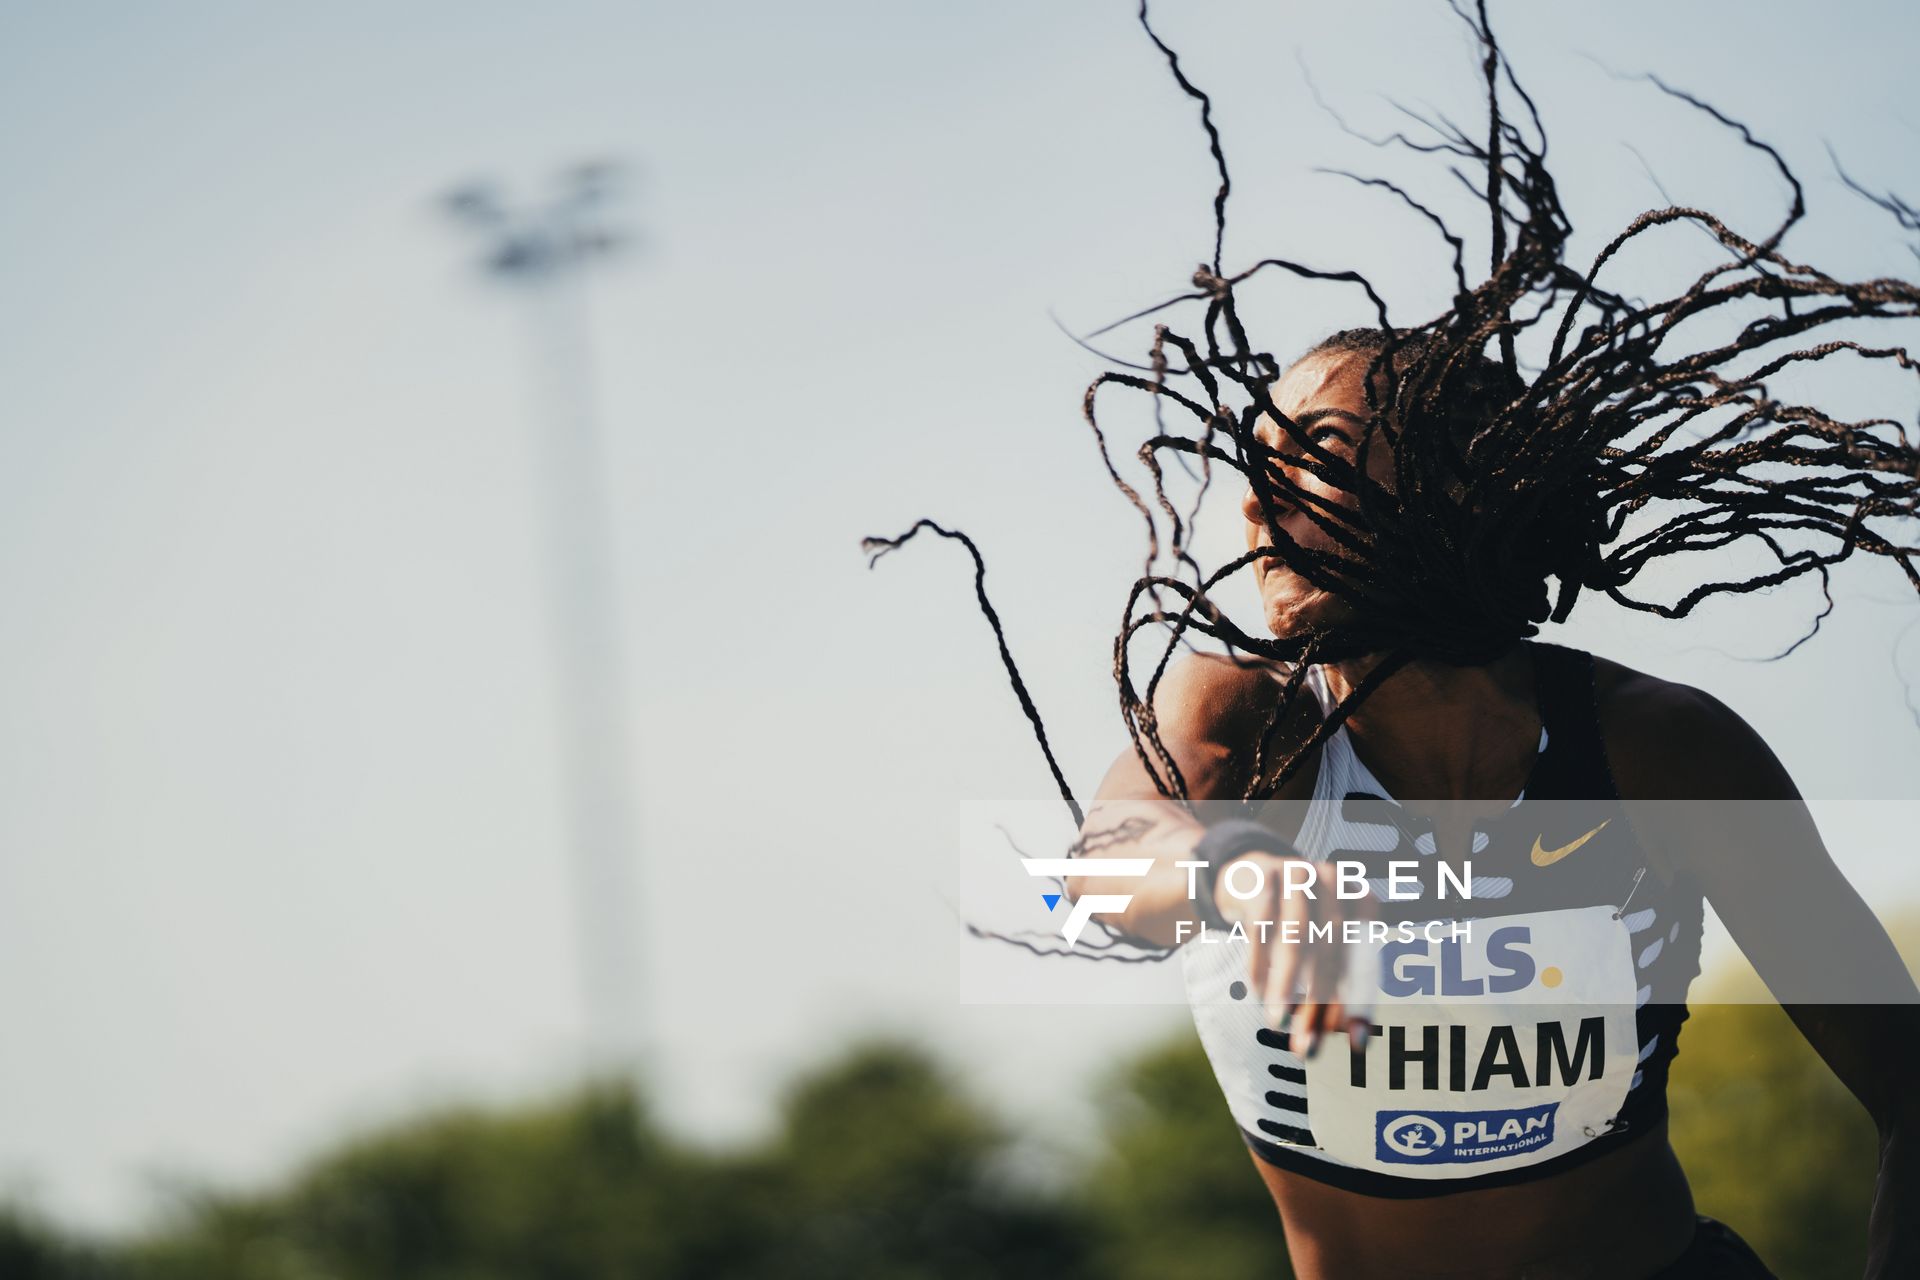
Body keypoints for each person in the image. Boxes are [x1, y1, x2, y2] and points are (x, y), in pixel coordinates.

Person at [1064, 330, 1920, 1279]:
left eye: (1315, 455)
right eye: (1259, 470)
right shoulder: (1249, 719)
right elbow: (1098, 872)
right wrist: (1235, 876)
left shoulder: (1659, 751)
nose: (1257, 502)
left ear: (1466, 484)